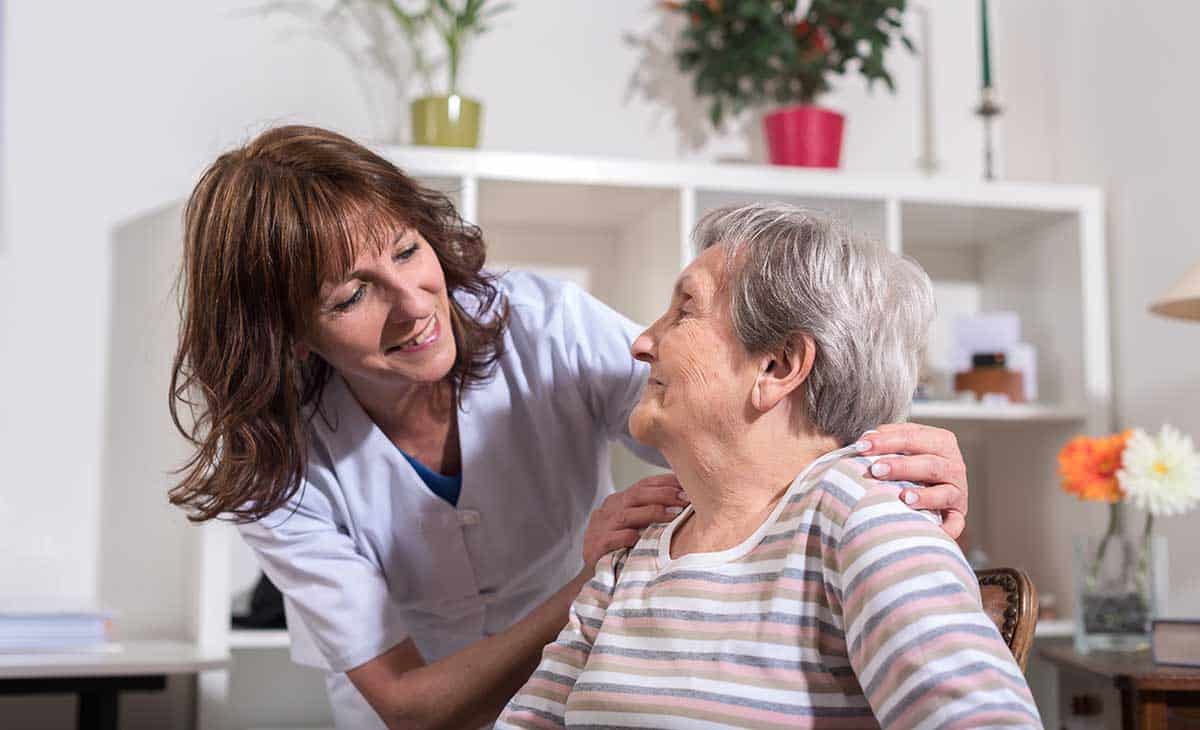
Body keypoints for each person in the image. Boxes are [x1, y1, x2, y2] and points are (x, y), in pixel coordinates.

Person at [169, 126, 974, 730]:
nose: (418, 304)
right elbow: (410, 705)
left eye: (409, 251)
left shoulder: (543, 327)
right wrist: (597, 581)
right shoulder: (276, 468)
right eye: (351, 297)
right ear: (283, 333)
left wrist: (893, 450)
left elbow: (738, 416)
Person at [498, 204, 1040, 729]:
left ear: (777, 366)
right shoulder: (640, 544)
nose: (641, 344)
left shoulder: (861, 519)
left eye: (684, 310)